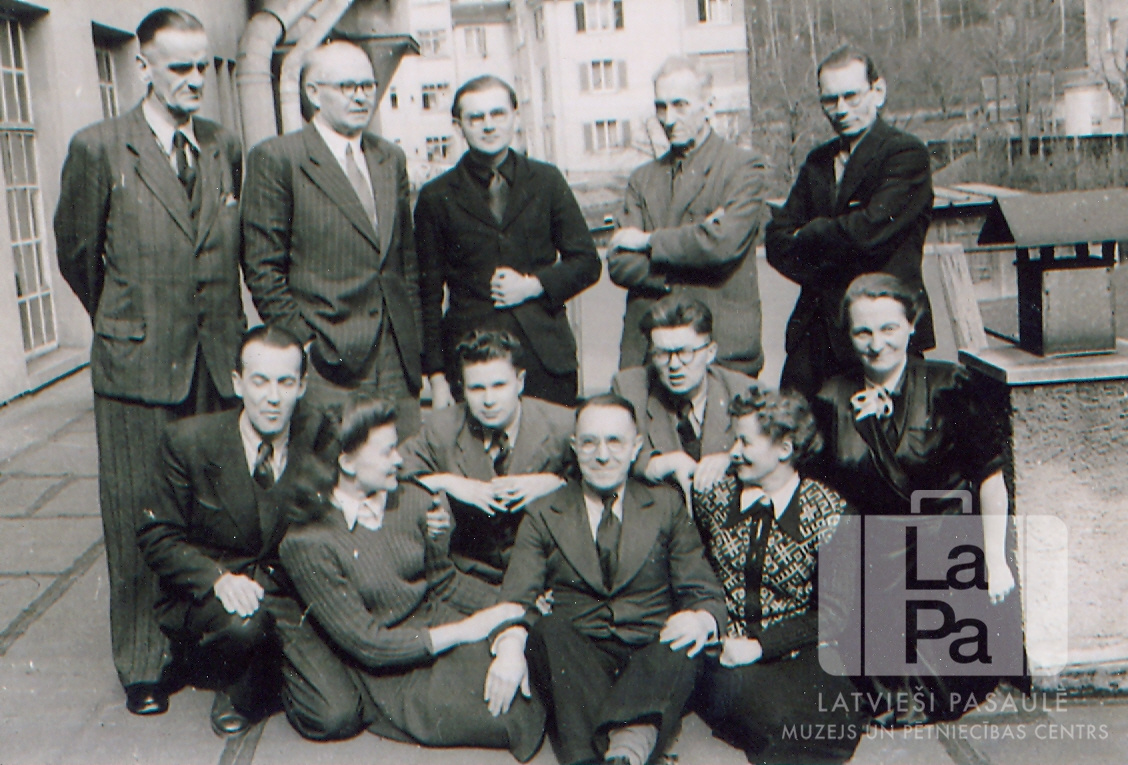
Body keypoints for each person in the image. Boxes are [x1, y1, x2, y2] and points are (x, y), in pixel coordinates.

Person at [53, 7, 245, 716]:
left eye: (203, 68)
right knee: (138, 509)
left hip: (215, 364)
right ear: (143, 66)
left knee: (212, 513)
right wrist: (130, 323)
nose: (195, 79)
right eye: (180, 67)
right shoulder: (100, 148)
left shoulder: (223, 145)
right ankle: (144, 662)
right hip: (137, 367)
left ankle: (207, 646)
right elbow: (80, 257)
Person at [276, 395, 545, 758]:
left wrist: (512, 611)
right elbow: (368, 643)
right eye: (387, 451)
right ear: (347, 462)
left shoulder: (412, 500)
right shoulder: (307, 542)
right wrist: (468, 629)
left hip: (429, 628)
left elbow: (445, 582)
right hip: (381, 658)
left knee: (529, 670)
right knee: (508, 715)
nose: (399, 460)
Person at [812, 272, 1019, 725]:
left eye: (889, 328)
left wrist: (995, 558)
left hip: (943, 547)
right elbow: (813, 485)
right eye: (863, 332)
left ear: (911, 325)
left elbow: (989, 477)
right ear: (848, 335)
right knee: (868, 683)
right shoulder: (831, 397)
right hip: (872, 551)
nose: (877, 343)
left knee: (943, 683)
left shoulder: (948, 385)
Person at [484, 393, 726, 765]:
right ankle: (627, 748)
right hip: (581, 658)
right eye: (589, 442)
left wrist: (702, 619)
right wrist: (510, 646)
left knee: (685, 639)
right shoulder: (544, 512)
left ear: (635, 447)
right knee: (548, 630)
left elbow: (703, 590)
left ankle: (620, 750)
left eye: (615, 441)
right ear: (574, 447)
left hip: (652, 653)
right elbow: (517, 597)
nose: (602, 455)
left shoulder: (665, 505)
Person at [138, 326, 332, 735]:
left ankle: (270, 668)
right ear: (237, 382)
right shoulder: (189, 441)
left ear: (302, 386)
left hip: (284, 592)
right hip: (216, 596)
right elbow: (157, 535)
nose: (272, 397)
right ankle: (236, 686)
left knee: (334, 715)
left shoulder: (319, 435)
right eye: (260, 381)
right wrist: (218, 579)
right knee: (243, 624)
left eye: (285, 382)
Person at [242, 41, 424, 436]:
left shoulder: (389, 158)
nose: (361, 96)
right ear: (313, 93)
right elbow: (262, 268)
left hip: (396, 358)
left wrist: (414, 343)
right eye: (346, 86)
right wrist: (305, 345)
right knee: (332, 465)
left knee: (403, 463)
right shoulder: (279, 158)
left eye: (368, 85)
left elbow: (404, 260)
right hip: (329, 361)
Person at [691, 384, 866, 764]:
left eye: (744, 441)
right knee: (777, 719)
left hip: (798, 652)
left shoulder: (831, 513)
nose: (733, 451)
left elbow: (834, 614)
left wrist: (761, 645)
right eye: (733, 439)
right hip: (727, 654)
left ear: (785, 448)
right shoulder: (713, 497)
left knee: (839, 719)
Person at [415, 75, 601, 408]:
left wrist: (534, 285)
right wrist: (437, 377)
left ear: (515, 116)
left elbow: (587, 262)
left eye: (498, 114)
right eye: (476, 118)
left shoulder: (546, 180)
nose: (489, 126)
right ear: (458, 126)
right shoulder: (436, 196)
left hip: (544, 358)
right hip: (473, 364)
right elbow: (427, 296)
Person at [765, 45, 935, 399]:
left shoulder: (905, 154)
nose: (841, 110)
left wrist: (809, 233)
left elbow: (868, 233)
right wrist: (835, 248)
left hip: (880, 337)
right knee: (795, 429)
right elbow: (777, 242)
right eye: (830, 100)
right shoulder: (818, 161)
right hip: (814, 338)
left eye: (851, 96)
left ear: (878, 91)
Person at [608, 56, 766, 377]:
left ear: (709, 105)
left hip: (721, 348)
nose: (668, 119)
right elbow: (620, 262)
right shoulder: (643, 178)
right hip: (648, 350)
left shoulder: (742, 167)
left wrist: (648, 242)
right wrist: (695, 246)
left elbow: (721, 245)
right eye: (661, 107)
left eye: (680, 105)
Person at [400, 329, 573, 583]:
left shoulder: (563, 424)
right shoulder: (442, 428)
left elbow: (605, 485)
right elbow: (391, 476)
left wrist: (557, 484)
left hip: (548, 575)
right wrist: (447, 481)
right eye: (476, 388)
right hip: (470, 576)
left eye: (499, 385)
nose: (489, 400)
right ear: (463, 388)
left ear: (520, 381)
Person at [612, 296, 753, 499]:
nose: (674, 365)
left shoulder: (743, 390)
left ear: (710, 352)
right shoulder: (629, 388)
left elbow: (773, 456)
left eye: (685, 352)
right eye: (662, 354)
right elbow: (607, 451)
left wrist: (731, 458)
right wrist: (658, 464)